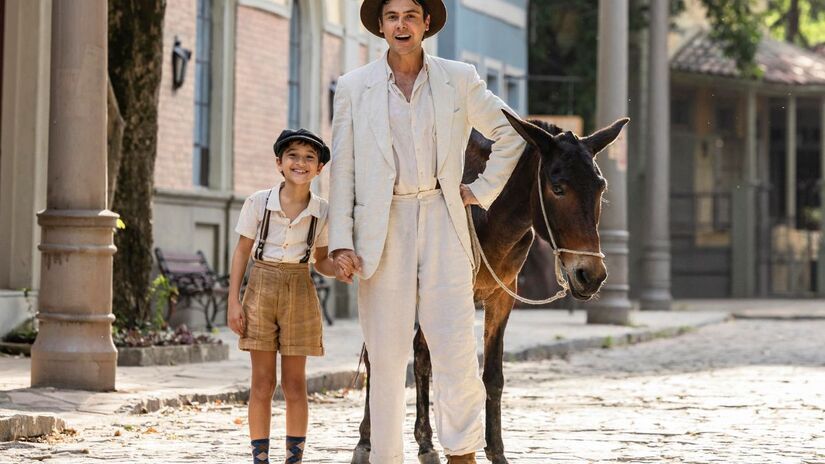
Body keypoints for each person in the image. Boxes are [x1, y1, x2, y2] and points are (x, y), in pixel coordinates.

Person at [328, 0, 527, 462]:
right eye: (392, 16)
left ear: (427, 24)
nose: (402, 25)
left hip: (443, 217)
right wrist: (341, 241)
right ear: (380, 26)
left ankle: (462, 453)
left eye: (411, 16)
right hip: (383, 227)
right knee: (386, 354)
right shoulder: (354, 87)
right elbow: (344, 170)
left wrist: (483, 190)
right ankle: (386, 456)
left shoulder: (458, 78)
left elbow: (511, 131)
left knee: (455, 349)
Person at [227, 129, 335, 464]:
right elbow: (242, 251)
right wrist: (234, 301)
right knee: (262, 382)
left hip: (299, 289)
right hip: (261, 286)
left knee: (294, 383)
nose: (300, 163)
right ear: (279, 163)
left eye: (309, 158)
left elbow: (321, 262)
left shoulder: (322, 211)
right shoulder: (258, 202)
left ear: (319, 169)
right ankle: (260, 457)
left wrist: (344, 268)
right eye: (293, 156)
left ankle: (294, 459)